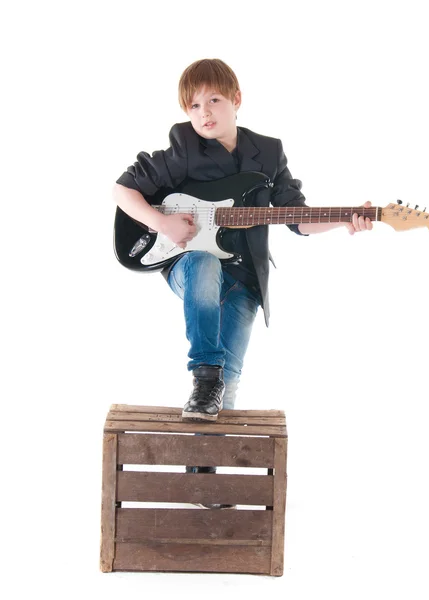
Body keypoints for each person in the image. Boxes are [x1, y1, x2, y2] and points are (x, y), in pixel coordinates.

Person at [113, 58, 372, 423]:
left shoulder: (267, 152)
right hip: (186, 263)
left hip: (244, 278)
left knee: (226, 393)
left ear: (236, 98)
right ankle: (204, 376)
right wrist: (161, 223)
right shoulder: (184, 145)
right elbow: (123, 190)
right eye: (194, 106)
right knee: (203, 266)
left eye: (214, 100)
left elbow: (297, 218)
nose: (204, 113)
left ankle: (202, 474)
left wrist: (344, 220)